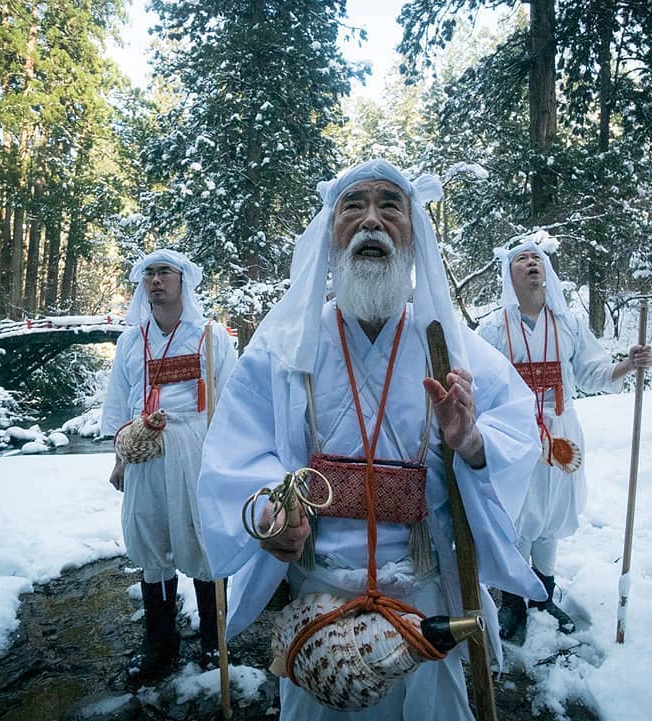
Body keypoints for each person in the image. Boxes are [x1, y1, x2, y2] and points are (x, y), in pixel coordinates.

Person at [196, 159, 545, 720]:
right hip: (319, 608)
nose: (371, 221)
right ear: (331, 234)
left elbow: (518, 430)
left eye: (390, 206)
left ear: (414, 233)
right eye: (353, 207)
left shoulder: (451, 347)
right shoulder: (286, 347)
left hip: (425, 607)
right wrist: (271, 514)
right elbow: (238, 452)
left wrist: (473, 442)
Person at [477, 239, 652, 642]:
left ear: (547, 272)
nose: (531, 263)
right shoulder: (492, 328)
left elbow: (593, 373)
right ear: (510, 274)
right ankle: (514, 601)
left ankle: (544, 595)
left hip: (561, 432)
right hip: (515, 432)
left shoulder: (569, 323)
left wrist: (628, 364)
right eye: (521, 258)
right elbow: (481, 383)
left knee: (552, 512)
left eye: (537, 258)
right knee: (517, 515)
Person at [101, 249, 238, 684]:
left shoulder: (212, 337)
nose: (155, 280)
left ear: (183, 282)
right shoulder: (130, 341)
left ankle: (214, 639)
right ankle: (160, 643)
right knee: (150, 537)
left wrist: (227, 463)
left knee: (200, 536)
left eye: (164, 272)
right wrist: (121, 457)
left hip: (197, 448)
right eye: (149, 274)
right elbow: (120, 402)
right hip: (145, 449)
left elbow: (232, 405)